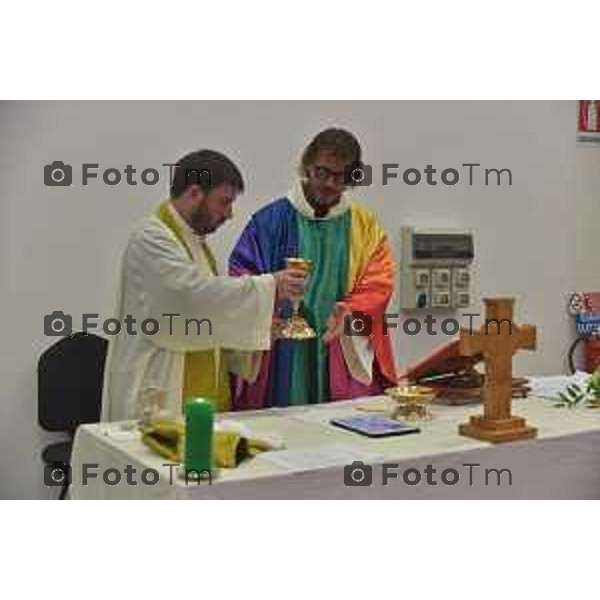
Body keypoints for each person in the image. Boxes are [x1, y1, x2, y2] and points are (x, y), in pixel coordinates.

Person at [101, 149, 307, 421]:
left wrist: (264, 330)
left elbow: (209, 318)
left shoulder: (195, 245)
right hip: (159, 388)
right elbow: (189, 300)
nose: (230, 214)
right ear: (195, 193)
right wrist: (271, 285)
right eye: (224, 202)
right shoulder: (151, 238)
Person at [229, 128, 397, 409]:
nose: (329, 183)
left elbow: (379, 282)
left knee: (343, 437)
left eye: (340, 176)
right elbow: (240, 276)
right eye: (322, 172)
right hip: (281, 348)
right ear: (308, 165)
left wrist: (352, 312)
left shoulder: (365, 227)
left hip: (340, 345)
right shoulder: (269, 221)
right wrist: (270, 295)